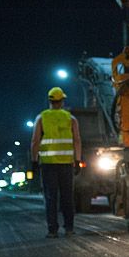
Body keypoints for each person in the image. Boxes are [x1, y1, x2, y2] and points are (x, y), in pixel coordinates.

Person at [31, 86, 82, 238]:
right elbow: (77, 140)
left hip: (47, 164)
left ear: (50, 101)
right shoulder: (70, 118)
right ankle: (69, 228)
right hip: (66, 163)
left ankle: (52, 230)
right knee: (67, 197)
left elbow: (34, 141)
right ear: (62, 101)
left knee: (50, 197)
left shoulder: (41, 118)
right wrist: (77, 160)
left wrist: (34, 161)